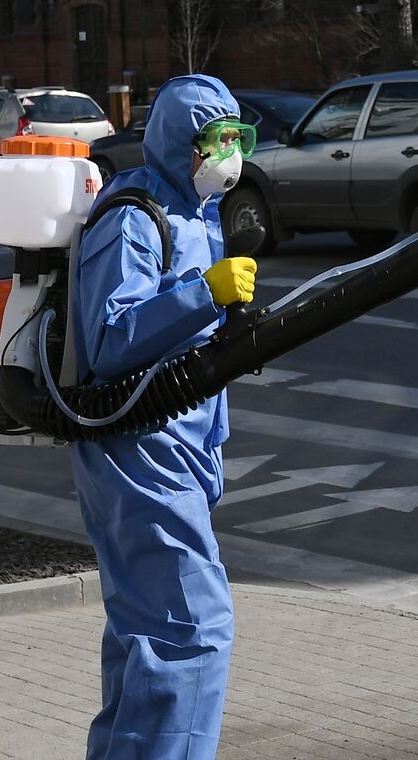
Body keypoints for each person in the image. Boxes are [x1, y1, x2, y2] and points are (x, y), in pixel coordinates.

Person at [69, 74, 258, 758]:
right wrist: (204, 295)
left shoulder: (194, 216)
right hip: (136, 453)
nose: (230, 154)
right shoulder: (132, 215)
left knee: (144, 642)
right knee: (193, 632)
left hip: (175, 455)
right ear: (183, 143)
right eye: (218, 140)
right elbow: (112, 335)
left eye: (239, 138)